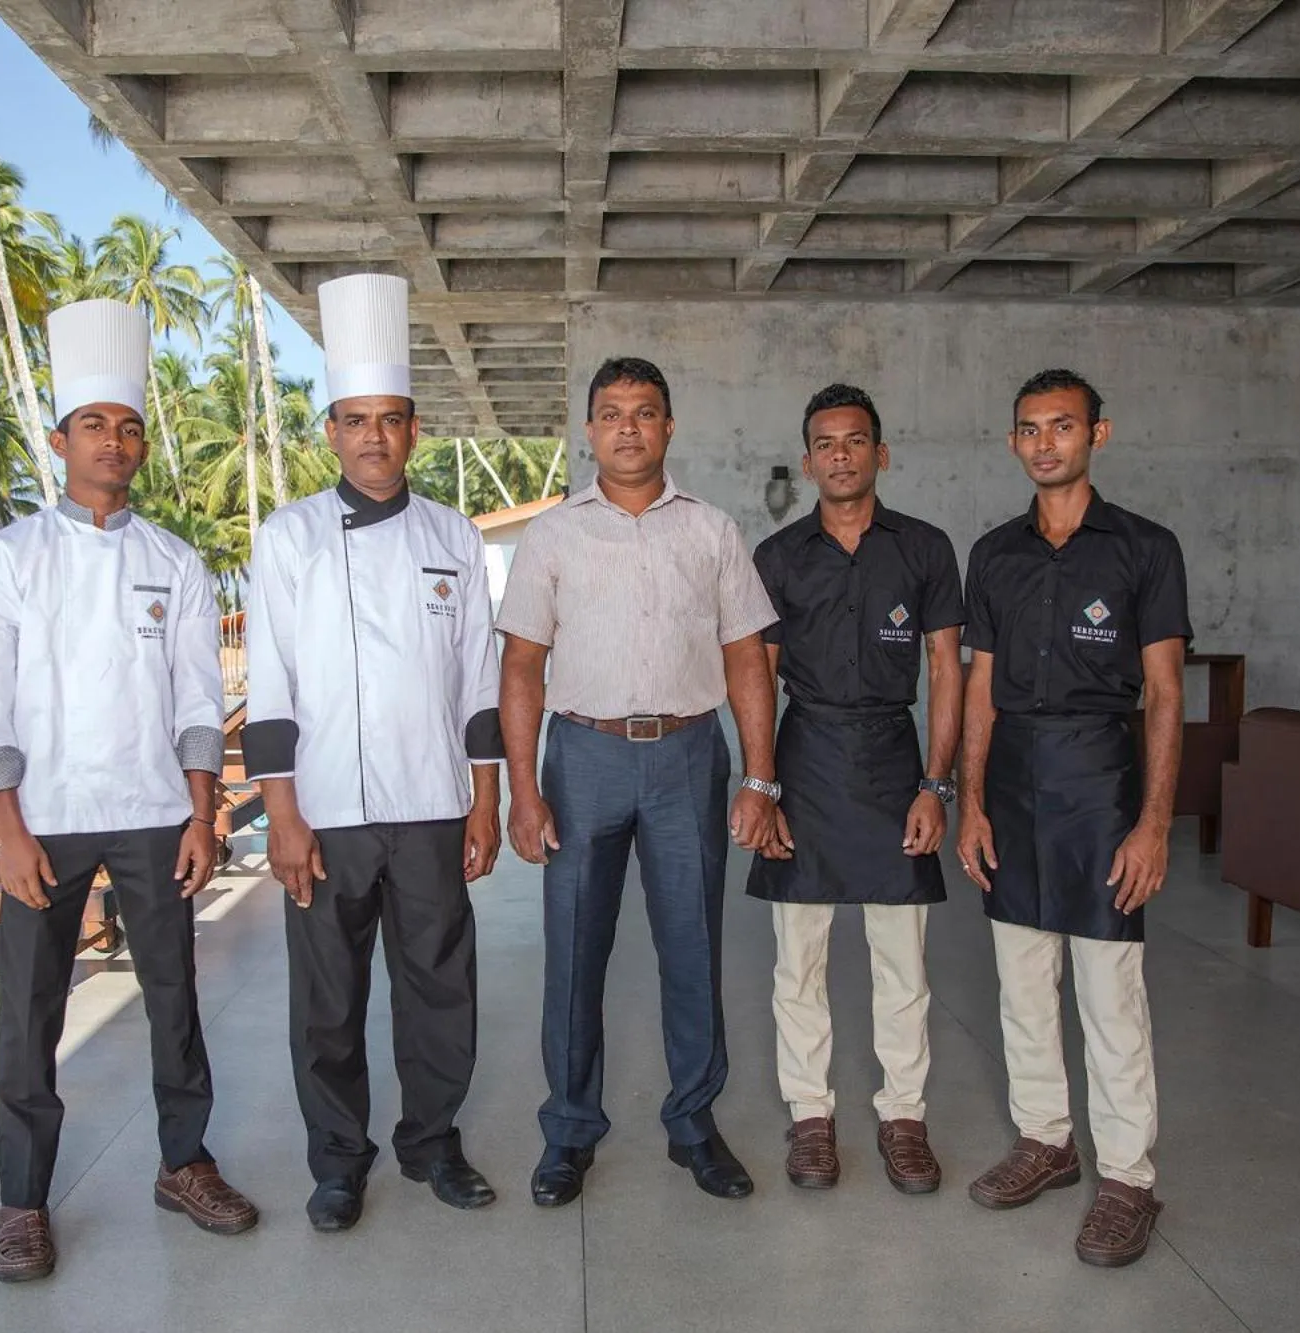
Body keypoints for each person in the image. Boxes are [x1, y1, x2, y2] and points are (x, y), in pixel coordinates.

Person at [0, 298, 256, 1284]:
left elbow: (194, 699)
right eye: (95, 424)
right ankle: (23, 1199)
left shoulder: (174, 561)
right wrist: (5, 830)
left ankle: (184, 1162)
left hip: (151, 814)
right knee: (30, 1011)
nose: (115, 441)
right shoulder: (8, 559)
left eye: (128, 426)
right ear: (59, 440)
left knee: (173, 997)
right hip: (41, 817)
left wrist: (204, 810)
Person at [240, 273, 504, 1233]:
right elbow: (268, 685)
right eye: (355, 420)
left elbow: (479, 680)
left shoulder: (454, 537)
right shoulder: (288, 538)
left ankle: (433, 1141)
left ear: (414, 429)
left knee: (440, 985)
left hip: (432, 803)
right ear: (331, 432)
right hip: (325, 812)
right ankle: (338, 1162)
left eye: (391, 420)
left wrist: (487, 800)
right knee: (329, 1000)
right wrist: (281, 816)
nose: (374, 437)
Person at [497, 356, 779, 1208]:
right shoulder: (553, 533)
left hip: (690, 757)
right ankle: (569, 1130)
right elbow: (520, 666)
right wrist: (523, 787)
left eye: (645, 412)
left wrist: (760, 778)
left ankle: (694, 1124)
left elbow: (747, 659)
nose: (628, 426)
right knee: (575, 952)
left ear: (668, 427)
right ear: (589, 431)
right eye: (612, 412)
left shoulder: (712, 531)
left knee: (692, 947)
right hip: (582, 758)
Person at [955, 368, 1189, 1269]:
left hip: (1102, 783)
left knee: (1108, 993)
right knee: (1020, 981)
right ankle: (1046, 1142)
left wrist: (1154, 823)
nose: (1045, 441)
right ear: (1014, 442)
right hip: (1011, 785)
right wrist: (970, 801)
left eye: (1063, 426)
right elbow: (979, 686)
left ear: (1099, 433)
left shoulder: (1145, 548)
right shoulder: (994, 554)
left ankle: (1128, 1177)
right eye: (1030, 428)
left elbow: (1165, 695)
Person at [748, 384, 964, 1194]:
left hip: (891, 760)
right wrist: (760, 783)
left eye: (855, 440)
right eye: (826, 443)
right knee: (797, 959)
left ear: (881, 451)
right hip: (803, 760)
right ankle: (810, 1116)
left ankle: (903, 1116)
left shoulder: (925, 549)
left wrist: (934, 784)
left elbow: (946, 668)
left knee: (901, 960)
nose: (840, 454)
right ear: (808, 461)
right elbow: (758, 679)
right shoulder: (777, 557)